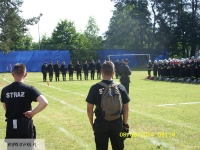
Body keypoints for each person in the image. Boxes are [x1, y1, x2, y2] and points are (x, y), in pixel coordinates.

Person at [0, 63, 48, 148]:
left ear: (12, 74)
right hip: (25, 124)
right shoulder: (29, 89)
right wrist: (32, 112)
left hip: (11, 124)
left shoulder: (5, 90)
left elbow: (5, 106)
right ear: (25, 74)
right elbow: (44, 102)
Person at [86, 61, 130, 150]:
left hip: (101, 123)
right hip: (117, 123)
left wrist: (92, 124)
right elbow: (126, 108)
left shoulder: (95, 88)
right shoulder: (121, 87)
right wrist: (124, 124)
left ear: (101, 72)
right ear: (113, 73)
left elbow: (89, 109)